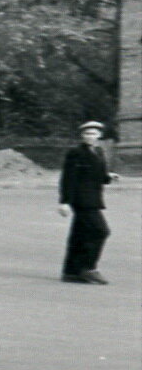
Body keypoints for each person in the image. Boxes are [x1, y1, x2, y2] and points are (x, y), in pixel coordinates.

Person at [59, 121, 115, 284]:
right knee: (100, 231)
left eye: (93, 133)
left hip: (94, 199)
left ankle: (71, 272)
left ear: (99, 135)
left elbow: (100, 176)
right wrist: (64, 201)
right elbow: (68, 178)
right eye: (86, 134)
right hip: (82, 201)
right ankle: (89, 268)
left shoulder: (98, 152)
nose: (90, 137)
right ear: (82, 136)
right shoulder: (76, 153)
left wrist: (109, 177)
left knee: (79, 234)